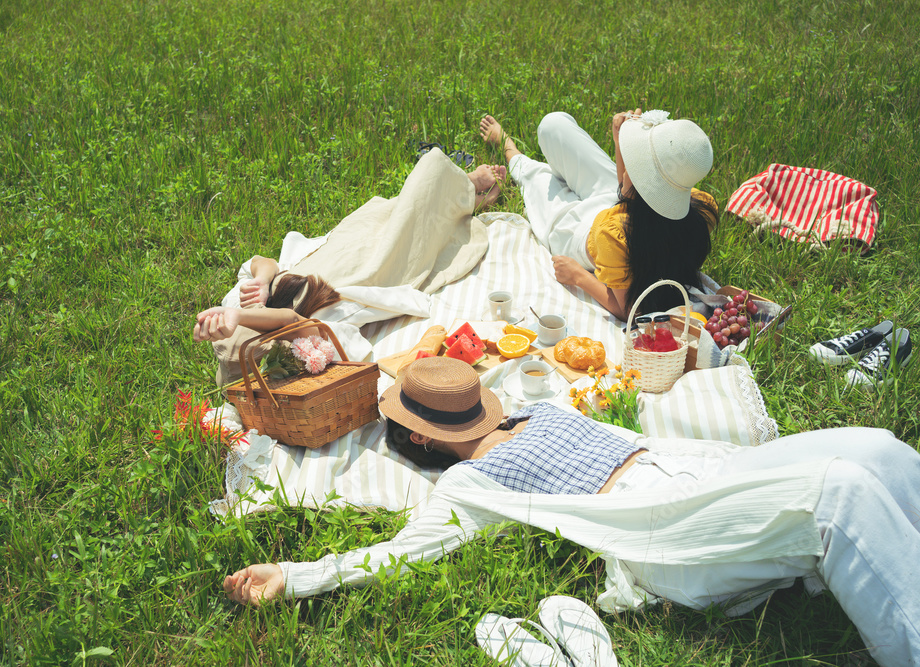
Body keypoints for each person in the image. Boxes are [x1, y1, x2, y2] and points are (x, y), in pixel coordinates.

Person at [223, 357, 920, 667]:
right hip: (661, 524)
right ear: (426, 442)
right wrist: (299, 572)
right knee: (841, 494)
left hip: (703, 472)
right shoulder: (470, 484)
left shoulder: (539, 406)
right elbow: (404, 550)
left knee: (879, 450)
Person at [193, 150, 506, 384]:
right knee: (422, 195)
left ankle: (463, 190)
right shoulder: (304, 341)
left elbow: (262, 262)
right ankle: (466, 195)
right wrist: (241, 317)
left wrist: (262, 281)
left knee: (392, 213)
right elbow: (294, 321)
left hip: (341, 248)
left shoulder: (244, 301)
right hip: (371, 269)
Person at [479, 111, 719, 320]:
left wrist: (579, 276)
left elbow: (629, 310)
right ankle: (551, 167)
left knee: (536, 179)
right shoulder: (698, 205)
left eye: (634, 163)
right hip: (617, 205)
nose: (627, 165)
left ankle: (508, 148)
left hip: (579, 235)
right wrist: (619, 143)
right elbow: (630, 197)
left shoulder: (613, 238)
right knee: (554, 125)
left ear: (640, 183)